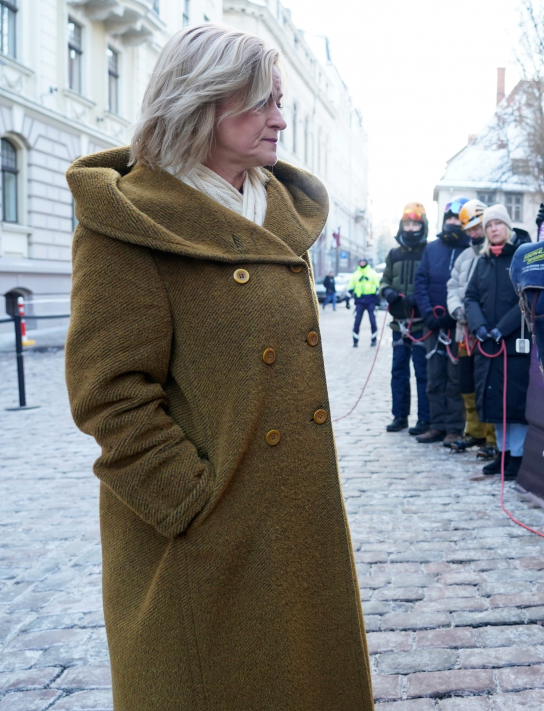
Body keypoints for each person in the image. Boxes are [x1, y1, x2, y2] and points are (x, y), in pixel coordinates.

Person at [64, 25, 373, 710]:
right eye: (262, 102)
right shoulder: (133, 221)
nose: (281, 119)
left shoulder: (273, 211)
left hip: (294, 526)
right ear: (202, 101)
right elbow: (109, 395)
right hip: (204, 543)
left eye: (281, 100)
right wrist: (190, 501)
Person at [464, 204, 531, 478]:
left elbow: (526, 296)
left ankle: (518, 458)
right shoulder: (481, 262)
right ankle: (502, 456)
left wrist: (502, 329)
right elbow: (470, 297)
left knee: (515, 406)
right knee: (497, 405)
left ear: (507, 227)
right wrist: (479, 327)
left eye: (498, 224)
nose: (493, 229)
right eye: (489, 225)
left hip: (513, 345)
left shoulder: (521, 257)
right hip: (487, 346)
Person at [413, 199, 470, 444]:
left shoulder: (470, 250)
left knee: (454, 378)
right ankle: (436, 425)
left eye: (457, 219)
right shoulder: (432, 248)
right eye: (449, 219)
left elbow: (469, 286)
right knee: (434, 376)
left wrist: (453, 314)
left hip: (456, 324)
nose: (452, 223)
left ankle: (454, 428)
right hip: (433, 323)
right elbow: (421, 281)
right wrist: (428, 314)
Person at [446, 199, 499, 459]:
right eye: (470, 230)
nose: (474, 234)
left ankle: (492, 438)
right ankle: (475, 431)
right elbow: (452, 288)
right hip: (463, 332)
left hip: (485, 332)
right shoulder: (464, 257)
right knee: (466, 382)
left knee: (485, 384)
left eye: (477, 228)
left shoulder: (494, 255)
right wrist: (457, 310)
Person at [380, 203, 430, 434]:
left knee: (422, 372)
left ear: (422, 226)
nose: (411, 229)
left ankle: (424, 419)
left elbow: (432, 281)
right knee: (398, 371)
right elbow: (384, 280)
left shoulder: (429, 251)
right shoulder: (394, 253)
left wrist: (420, 299)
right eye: (407, 224)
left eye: (415, 224)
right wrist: (387, 292)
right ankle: (399, 416)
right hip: (399, 323)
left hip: (422, 324)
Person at [349, 258, 380, 347]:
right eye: (360, 262)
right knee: (357, 322)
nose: (362, 263)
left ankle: (374, 340)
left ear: (366, 263)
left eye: (363, 262)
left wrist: (378, 300)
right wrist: (347, 298)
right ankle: (355, 341)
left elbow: (378, 286)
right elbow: (351, 286)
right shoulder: (356, 274)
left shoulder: (372, 273)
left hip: (370, 301)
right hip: (359, 302)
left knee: (373, 322)